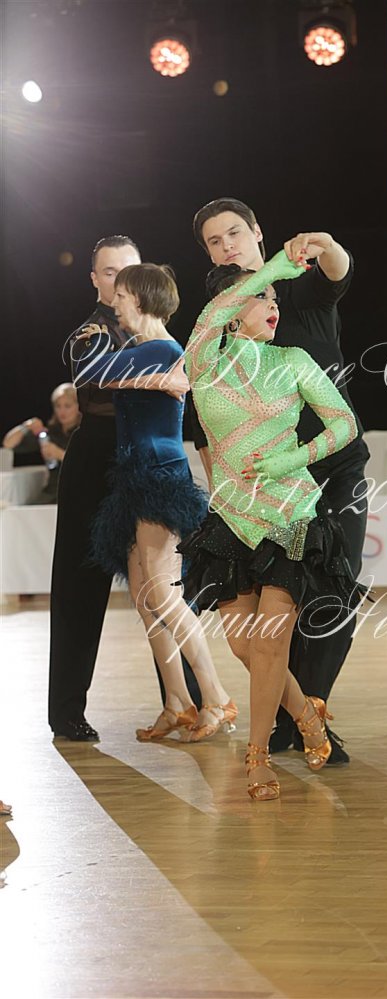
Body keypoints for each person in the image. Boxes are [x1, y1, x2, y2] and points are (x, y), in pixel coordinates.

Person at [179, 249, 366, 800]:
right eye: (261, 296)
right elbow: (209, 318)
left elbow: (345, 426)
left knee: (268, 644)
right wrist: (268, 270)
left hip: (290, 515)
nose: (273, 303)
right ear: (232, 307)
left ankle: (257, 755)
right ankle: (307, 714)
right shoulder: (204, 361)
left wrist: (293, 459)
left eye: (275, 296)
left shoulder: (293, 360)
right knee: (244, 647)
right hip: (233, 520)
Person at [48, 235, 201, 742]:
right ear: (95, 279)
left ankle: (188, 701)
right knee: (81, 583)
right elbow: (90, 375)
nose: (120, 281)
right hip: (97, 455)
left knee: (165, 584)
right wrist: (161, 378)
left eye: (129, 270)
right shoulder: (90, 333)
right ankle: (66, 709)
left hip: (150, 458)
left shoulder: (155, 331)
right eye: (110, 272)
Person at [77, 263, 236, 741]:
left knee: (164, 594)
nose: (116, 304)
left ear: (143, 299)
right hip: (134, 481)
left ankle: (217, 697)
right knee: (147, 600)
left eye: (122, 296)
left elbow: (96, 372)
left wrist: (126, 369)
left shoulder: (164, 349)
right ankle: (177, 702)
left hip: (160, 481)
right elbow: (93, 375)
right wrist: (144, 380)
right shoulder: (139, 352)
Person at [3, 383, 81, 503]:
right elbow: (8, 444)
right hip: (53, 491)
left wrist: (59, 454)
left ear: (79, 406)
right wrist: (26, 426)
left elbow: (92, 464)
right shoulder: (49, 434)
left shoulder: (86, 432)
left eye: (67, 406)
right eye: (58, 406)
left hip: (80, 491)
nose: (62, 411)